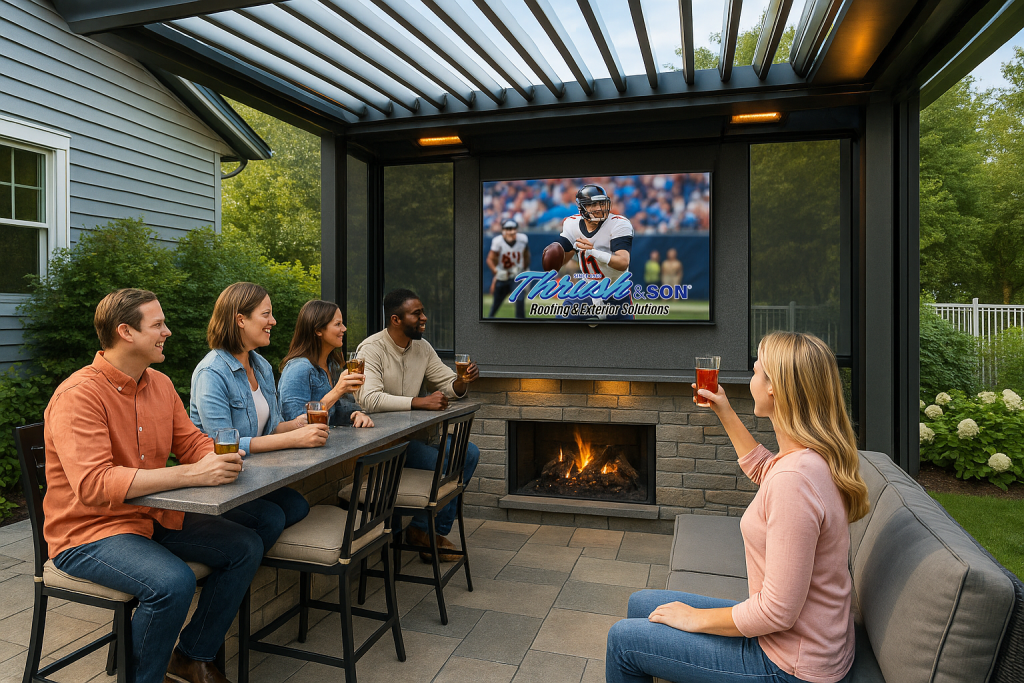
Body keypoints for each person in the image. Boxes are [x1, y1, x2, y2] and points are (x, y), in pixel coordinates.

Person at [606, 331, 869, 683]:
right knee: (643, 603)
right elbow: (765, 468)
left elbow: (777, 613)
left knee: (622, 642)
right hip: (801, 642)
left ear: (775, 388)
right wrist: (724, 409)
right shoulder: (809, 458)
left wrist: (696, 619)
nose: (752, 378)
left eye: (757, 370)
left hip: (789, 664)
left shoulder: (795, 480)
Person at [44, 289, 263, 683]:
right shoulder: (78, 396)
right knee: (172, 583)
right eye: (158, 324)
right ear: (125, 331)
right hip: (88, 533)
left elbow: (191, 442)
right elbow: (94, 484)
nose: (168, 331)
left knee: (245, 545)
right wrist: (190, 475)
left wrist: (220, 458)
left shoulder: (159, 384)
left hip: (149, 516)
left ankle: (191, 656)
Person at [190, 282, 327, 552]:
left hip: (255, 477)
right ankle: (236, 564)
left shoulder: (261, 365)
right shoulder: (211, 373)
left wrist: (298, 425)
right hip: (221, 483)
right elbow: (222, 447)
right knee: (271, 518)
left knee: (298, 506)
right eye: (266, 314)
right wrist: (294, 440)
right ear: (240, 319)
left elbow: (272, 428)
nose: (273, 321)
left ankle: (244, 558)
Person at [354, 289, 481, 561]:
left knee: (468, 453)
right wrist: (418, 402)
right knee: (448, 462)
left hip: (415, 440)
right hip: (384, 445)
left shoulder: (422, 348)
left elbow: (448, 384)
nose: (424, 317)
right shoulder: (371, 349)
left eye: (422, 311)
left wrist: (463, 381)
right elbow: (370, 398)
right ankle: (423, 534)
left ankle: (426, 530)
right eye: (417, 313)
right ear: (396, 319)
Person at [278, 299, 374, 428]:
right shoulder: (298, 368)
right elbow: (295, 422)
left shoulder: (331, 365)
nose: (344, 329)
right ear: (318, 330)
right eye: (338, 324)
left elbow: (340, 409)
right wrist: (337, 390)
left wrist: (356, 414)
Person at [553, 183, 635, 321]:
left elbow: (623, 262)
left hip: (616, 291)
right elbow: (563, 257)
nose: (598, 208)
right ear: (582, 208)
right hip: (588, 288)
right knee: (561, 322)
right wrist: (554, 255)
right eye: (593, 204)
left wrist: (594, 252)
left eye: (601, 203)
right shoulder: (571, 224)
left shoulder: (618, 224)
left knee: (628, 339)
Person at [487, 219, 530, 318]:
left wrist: (524, 269)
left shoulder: (523, 239)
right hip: (503, 276)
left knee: (519, 299)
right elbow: (489, 259)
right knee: (496, 302)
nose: (512, 231)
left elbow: (527, 255)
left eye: (514, 229)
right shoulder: (497, 241)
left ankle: (521, 324)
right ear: (503, 231)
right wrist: (496, 271)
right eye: (509, 229)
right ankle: (489, 320)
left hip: (516, 276)